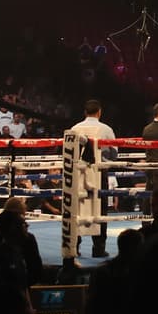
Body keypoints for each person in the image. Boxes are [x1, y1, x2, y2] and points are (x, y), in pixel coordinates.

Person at [69, 99, 116, 258]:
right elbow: (114, 154)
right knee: (100, 208)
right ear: (99, 112)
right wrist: (104, 162)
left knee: (76, 208)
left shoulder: (75, 128)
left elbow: (69, 152)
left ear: (85, 112)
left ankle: (74, 246)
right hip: (99, 172)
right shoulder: (106, 129)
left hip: (78, 172)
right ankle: (99, 248)